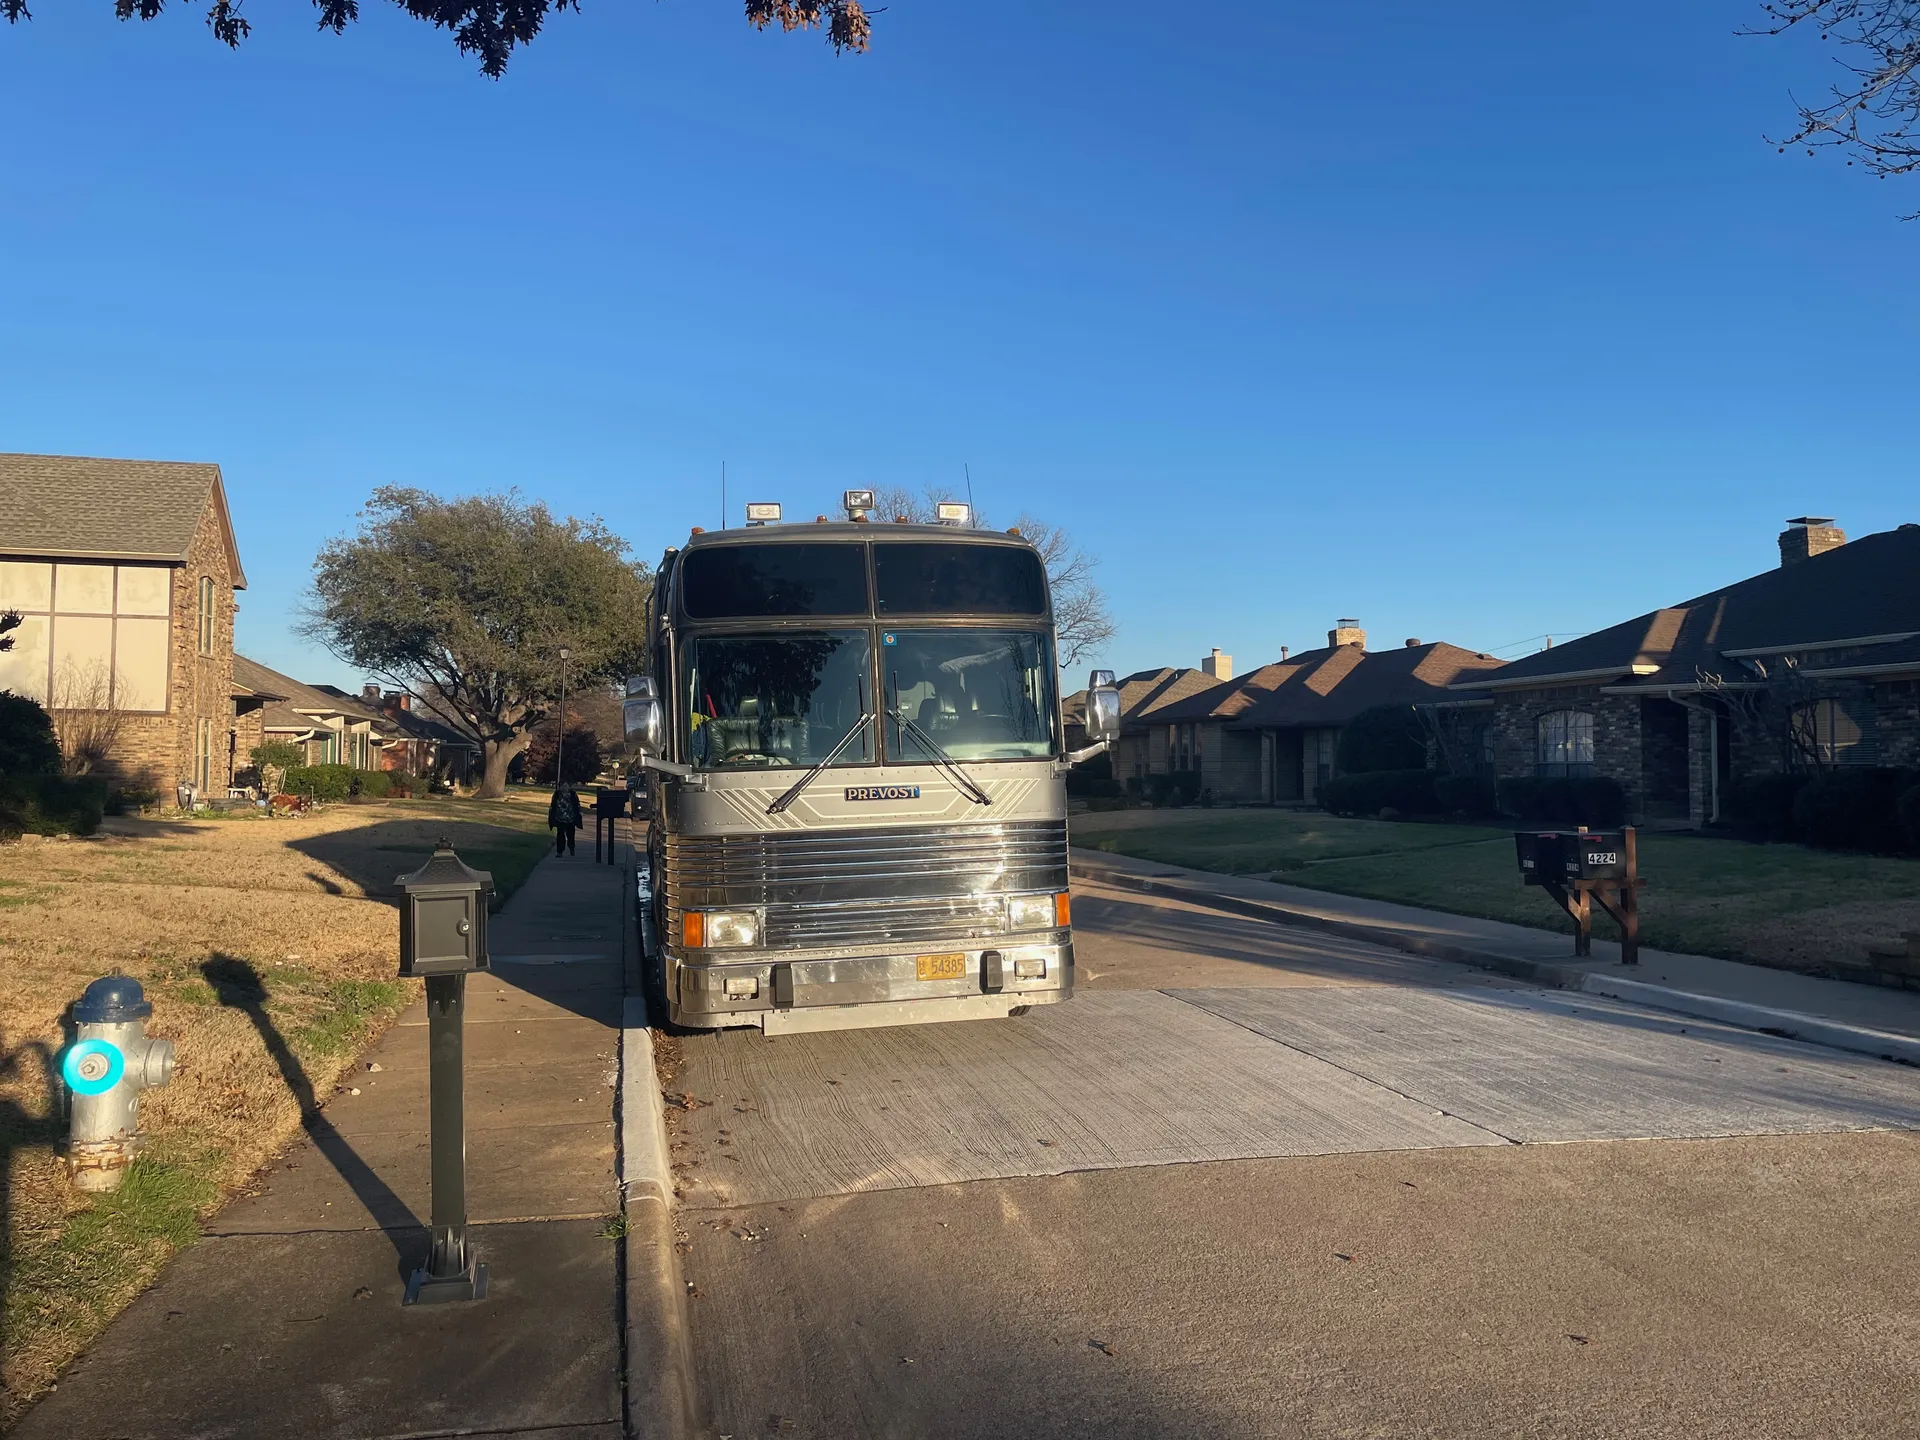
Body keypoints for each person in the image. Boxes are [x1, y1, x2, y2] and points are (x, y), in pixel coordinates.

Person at [548, 782, 583, 857]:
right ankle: (560, 852)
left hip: (570, 819)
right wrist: (552, 817)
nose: (564, 787)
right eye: (562, 786)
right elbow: (553, 805)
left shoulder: (573, 794)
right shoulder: (557, 794)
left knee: (570, 835)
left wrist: (578, 816)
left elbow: (577, 805)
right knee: (560, 835)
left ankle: (571, 848)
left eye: (566, 786)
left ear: (569, 787)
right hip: (560, 819)